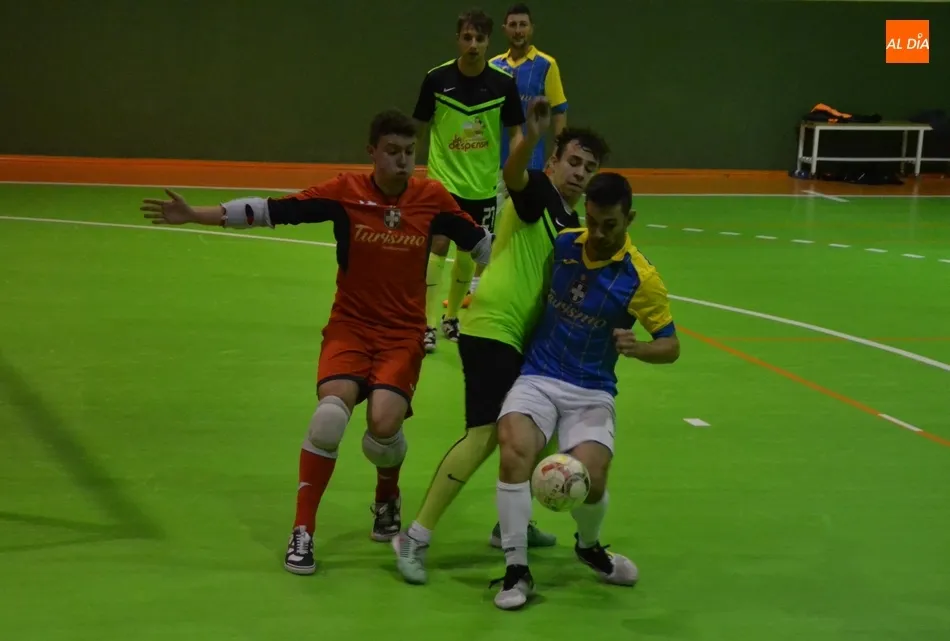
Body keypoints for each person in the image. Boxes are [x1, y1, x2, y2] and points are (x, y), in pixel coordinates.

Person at [139, 109, 493, 576]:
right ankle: (302, 531)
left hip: (401, 335)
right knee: (328, 419)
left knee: (383, 426)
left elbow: (484, 245)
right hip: (351, 327)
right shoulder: (346, 192)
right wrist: (195, 215)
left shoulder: (432, 198)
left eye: (410, 152)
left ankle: (387, 494)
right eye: (392, 151)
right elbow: (274, 210)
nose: (403, 161)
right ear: (372, 152)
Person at [392, 97, 610, 585]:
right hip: (492, 327)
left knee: (538, 432)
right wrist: (529, 138)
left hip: (525, 340)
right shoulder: (538, 195)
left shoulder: (573, 225)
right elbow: (513, 174)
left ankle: (510, 523)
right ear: (554, 162)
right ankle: (414, 537)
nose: (579, 173)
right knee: (485, 434)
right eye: (573, 161)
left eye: (589, 168)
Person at [489, 172, 681, 610]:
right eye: (592, 221)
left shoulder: (641, 278)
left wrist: (639, 348)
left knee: (590, 478)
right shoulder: (563, 245)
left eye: (609, 225)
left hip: (592, 390)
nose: (597, 233)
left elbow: (671, 346)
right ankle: (516, 568)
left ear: (629, 218)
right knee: (514, 450)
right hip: (539, 375)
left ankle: (589, 546)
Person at [412, 8, 525, 353]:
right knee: (438, 244)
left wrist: (518, 171)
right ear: (458, 39)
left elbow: (516, 133)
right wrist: (410, 173)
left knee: (469, 251)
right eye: (467, 37)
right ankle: (428, 324)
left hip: (482, 186)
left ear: (489, 41)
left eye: (480, 38)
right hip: (441, 182)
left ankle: (452, 320)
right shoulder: (436, 80)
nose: (473, 44)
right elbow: (418, 129)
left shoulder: (503, 84)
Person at [490, 3, 569, 211]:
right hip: (493, 166)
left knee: (525, 219)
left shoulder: (546, 65)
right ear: (504, 29)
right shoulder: (493, 66)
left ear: (531, 28)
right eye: (513, 25)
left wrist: (557, 154)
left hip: (530, 165)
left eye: (523, 25)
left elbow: (559, 112)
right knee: (494, 223)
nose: (518, 30)